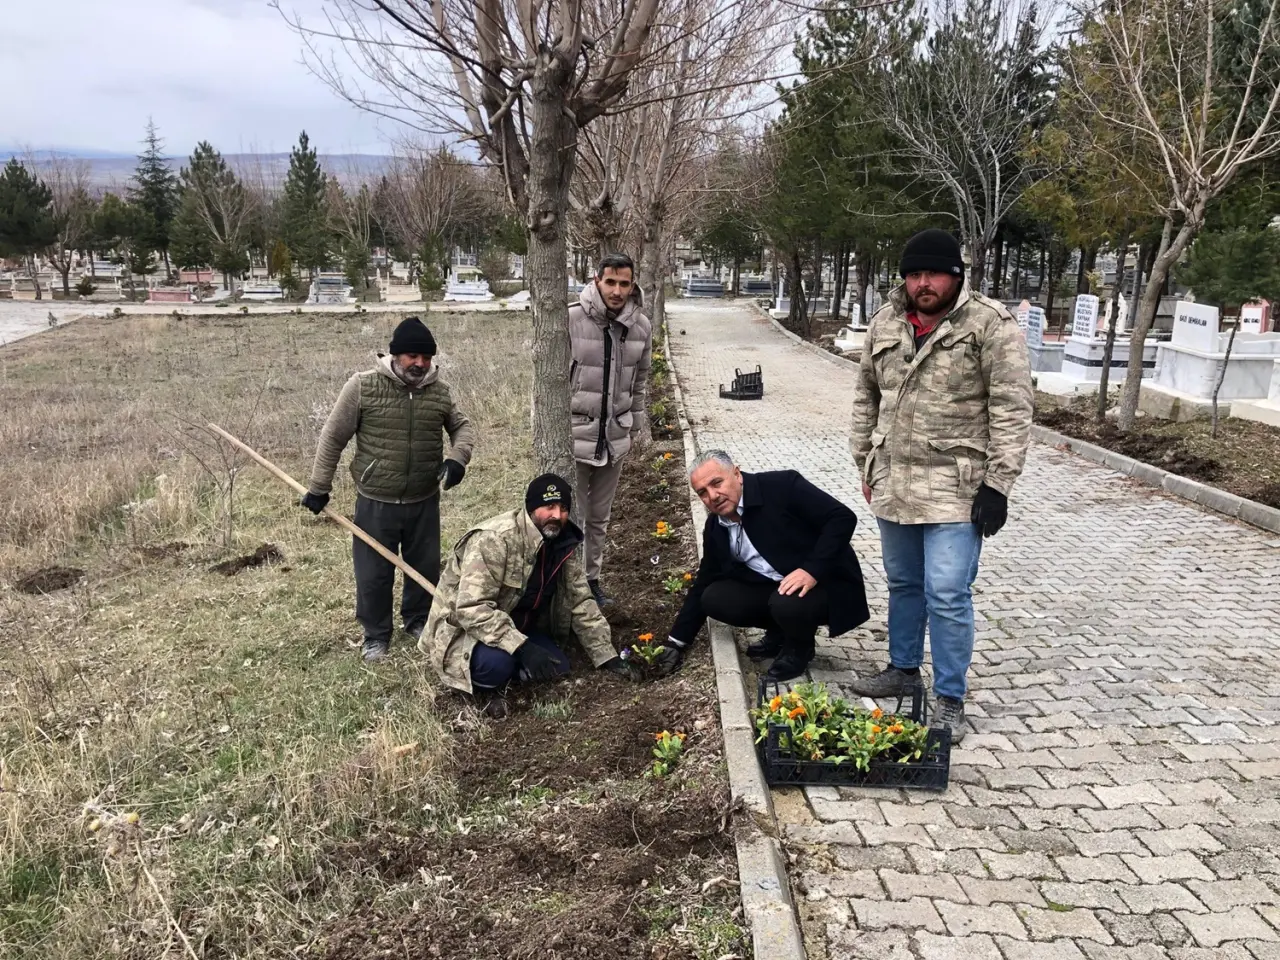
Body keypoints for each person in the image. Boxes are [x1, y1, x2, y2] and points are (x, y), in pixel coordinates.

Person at [848, 228, 1033, 742]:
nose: (922, 283)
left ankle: (949, 697)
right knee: (904, 583)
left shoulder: (990, 326)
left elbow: (1012, 409)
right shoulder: (886, 321)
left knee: (948, 592)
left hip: (957, 487)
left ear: (956, 276)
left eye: (932, 274)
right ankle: (903, 669)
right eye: (913, 274)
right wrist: (866, 460)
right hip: (894, 483)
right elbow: (866, 396)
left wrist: (998, 485)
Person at [302, 316, 476, 662]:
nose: (420, 364)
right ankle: (376, 635)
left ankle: (416, 620)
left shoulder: (438, 391)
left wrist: (458, 459)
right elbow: (333, 437)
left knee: (424, 567)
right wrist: (319, 487)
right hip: (375, 501)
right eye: (412, 356)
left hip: (423, 500)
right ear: (396, 355)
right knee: (373, 575)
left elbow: (462, 427)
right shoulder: (363, 387)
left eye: (426, 358)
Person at [419, 473, 636, 717]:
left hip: (518, 625)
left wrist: (607, 656)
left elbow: (580, 601)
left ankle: (513, 672)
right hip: (464, 633)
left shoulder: (562, 543)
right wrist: (522, 648)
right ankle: (484, 687)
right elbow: (471, 609)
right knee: (498, 665)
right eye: (549, 506)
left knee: (559, 666)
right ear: (532, 508)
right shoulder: (494, 540)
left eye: (563, 508)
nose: (557, 515)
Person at [658, 451, 870, 682]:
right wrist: (676, 642)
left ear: (736, 474)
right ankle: (780, 632)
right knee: (714, 598)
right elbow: (704, 580)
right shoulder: (716, 526)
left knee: (786, 604)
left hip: (826, 583)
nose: (713, 496)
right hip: (777, 587)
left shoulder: (782, 486)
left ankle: (799, 648)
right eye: (702, 493)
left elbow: (842, 518)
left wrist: (811, 570)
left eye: (716, 483)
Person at [569, 253, 654, 609]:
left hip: (614, 438)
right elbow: (548, 381)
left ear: (632, 284)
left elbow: (639, 383)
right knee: (571, 515)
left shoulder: (641, 328)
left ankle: (591, 582)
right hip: (573, 437)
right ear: (596, 280)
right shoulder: (570, 319)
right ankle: (565, 583)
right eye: (611, 282)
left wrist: (635, 424)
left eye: (624, 283)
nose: (617, 291)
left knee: (599, 518)